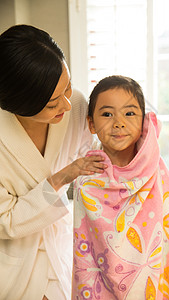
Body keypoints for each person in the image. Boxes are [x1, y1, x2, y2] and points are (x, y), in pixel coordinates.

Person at [0, 24, 107, 300]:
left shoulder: (77, 105)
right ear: (17, 105)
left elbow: (96, 156)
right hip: (15, 261)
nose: (67, 106)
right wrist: (62, 176)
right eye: (52, 104)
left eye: (68, 87)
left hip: (64, 245)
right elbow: (6, 220)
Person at [72, 75, 169, 299]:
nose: (119, 122)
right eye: (107, 114)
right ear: (91, 123)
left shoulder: (157, 172)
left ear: (144, 122)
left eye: (129, 113)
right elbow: (86, 252)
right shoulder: (87, 179)